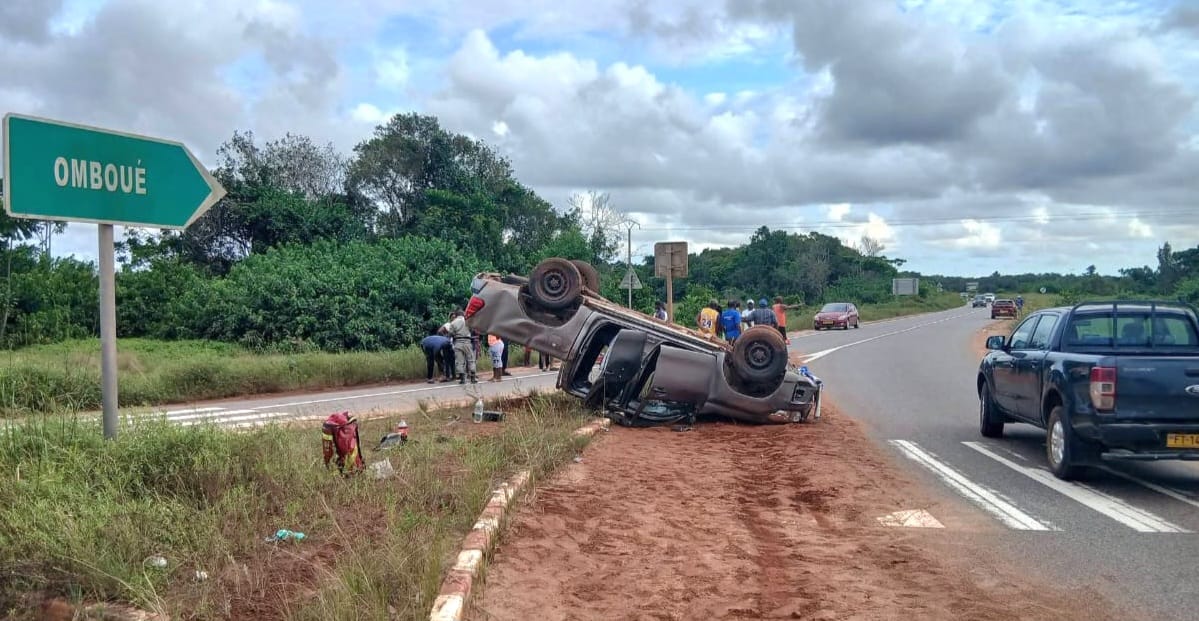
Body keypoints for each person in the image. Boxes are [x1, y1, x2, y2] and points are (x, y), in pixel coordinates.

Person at [439, 310, 478, 384]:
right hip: (467, 342)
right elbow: (472, 330)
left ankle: (462, 379)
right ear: (463, 314)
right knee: (471, 359)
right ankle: (473, 378)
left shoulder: (453, 323)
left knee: (459, 361)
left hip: (458, 342)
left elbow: (451, 334)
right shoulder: (468, 320)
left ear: (456, 315)